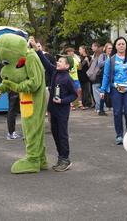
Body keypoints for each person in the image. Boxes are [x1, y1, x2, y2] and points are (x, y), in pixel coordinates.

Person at [32, 39, 77, 172]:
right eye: (58, 61)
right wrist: (37, 49)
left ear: (67, 66)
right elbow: (46, 63)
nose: (57, 62)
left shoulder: (68, 79)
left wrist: (62, 101)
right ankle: (60, 157)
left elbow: (74, 95)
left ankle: (65, 159)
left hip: (62, 111)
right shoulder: (55, 72)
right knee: (55, 133)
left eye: (61, 61)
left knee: (62, 134)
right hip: (53, 110)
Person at [100, 37, 127, 145]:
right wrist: (102, 90)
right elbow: (106, 75)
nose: (121, 46)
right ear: (116, 46)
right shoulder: (111, 59)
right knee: (117, 112)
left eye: (123, 44)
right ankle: (119, 135)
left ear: (126, 45)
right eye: (119, 44)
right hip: (115, 89)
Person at [98, 43, 113, 116]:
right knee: (103, 92)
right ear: (105, 49)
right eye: (109, 48)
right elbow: (99, 64)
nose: (110, 49)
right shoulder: (102, 56)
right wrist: (108, 60)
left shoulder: (114, 56)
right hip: (103, 77)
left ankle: (116, 108)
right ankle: (101, 110)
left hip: (112, 77)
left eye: (111, 48)